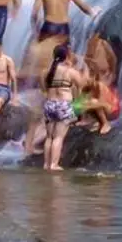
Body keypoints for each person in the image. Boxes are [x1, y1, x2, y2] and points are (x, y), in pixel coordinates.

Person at [41, 44, 83, 172]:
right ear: (66, 57)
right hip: (63, 105)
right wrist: (78, 107)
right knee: (58, 137)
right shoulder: (70, 72)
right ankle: (54, 165)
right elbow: (82, 86)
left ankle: (46, 164)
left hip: (49, 104)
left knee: (49, 137)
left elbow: (44, 89)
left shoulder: (46, 71)